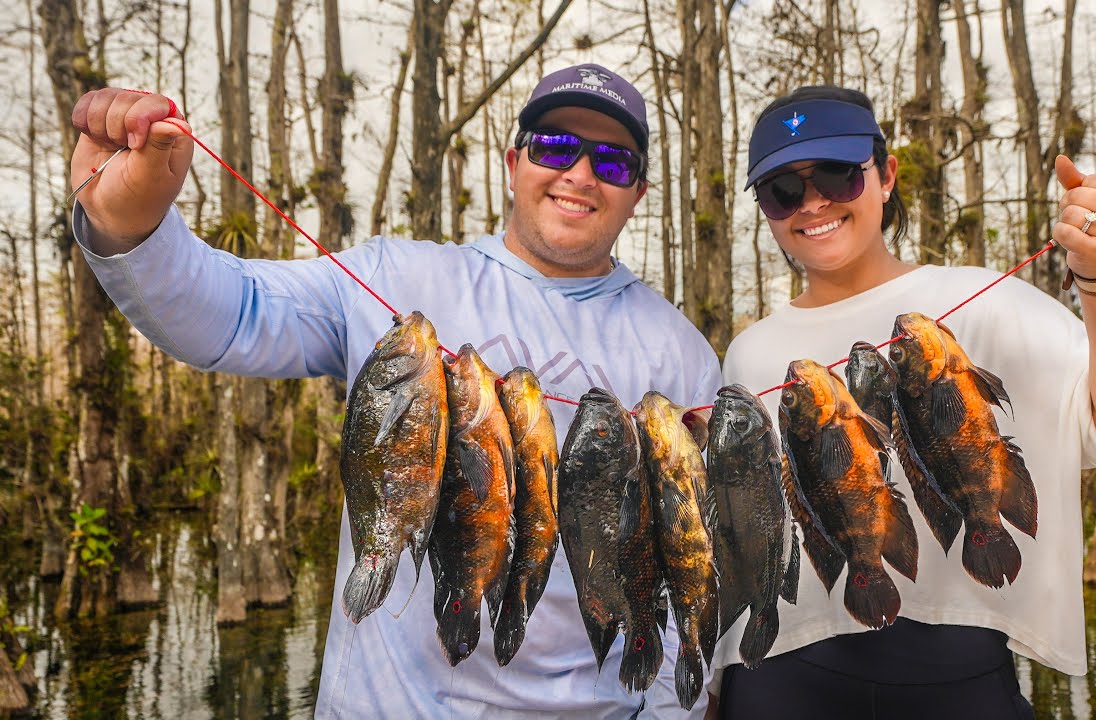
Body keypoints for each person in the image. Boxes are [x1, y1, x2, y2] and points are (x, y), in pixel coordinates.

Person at [69, 64, 721, 718]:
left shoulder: (681, 354)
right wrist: (130, 218)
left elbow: (689, 577)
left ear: (638, 191)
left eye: (612, 162)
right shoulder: (399, 276)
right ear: (513, 160)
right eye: (556, 146)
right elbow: (229, 314)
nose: (580, 174)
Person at [706, 86, 1096, 719]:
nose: (813, 202)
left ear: (886, 175)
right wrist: (717, 690)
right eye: (783, 191)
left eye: (837, 175)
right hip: (778, 674)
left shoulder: (985, 301)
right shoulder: (749, 352)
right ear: (766, 211)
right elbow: (750, 531)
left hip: (957, 672)